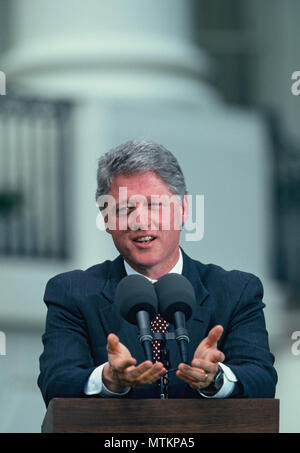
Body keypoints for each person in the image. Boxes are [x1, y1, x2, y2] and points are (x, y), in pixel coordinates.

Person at [38, 140, 277, 406]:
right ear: (106, 219)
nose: (140, 222)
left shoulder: (236, 291)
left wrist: (215, 379)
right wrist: (108, 379)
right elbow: (55, 382)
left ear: (184, 209)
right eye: (125, 208)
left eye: (154, 205)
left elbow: (262, 381)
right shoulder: (72, 293)